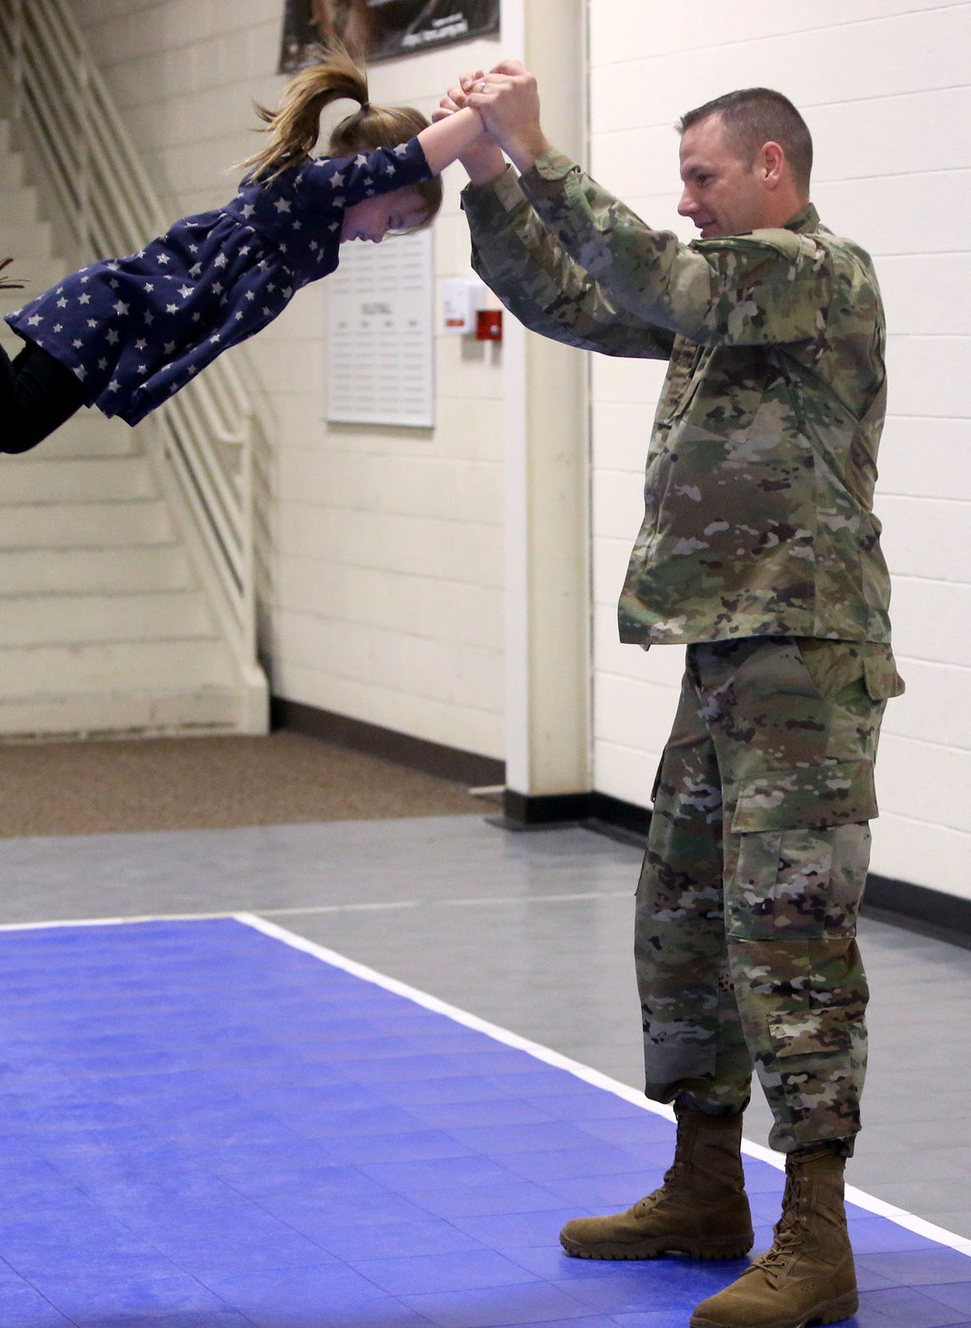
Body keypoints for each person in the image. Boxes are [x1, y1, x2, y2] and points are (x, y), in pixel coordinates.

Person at [441, 61, 903, 1328]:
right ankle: (706, 1187)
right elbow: (576, 299)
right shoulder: (723, 301)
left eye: (701, 177)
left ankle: (817, 1235)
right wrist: (487, 174)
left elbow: (660, 271)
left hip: (804, 661)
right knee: (684, 923)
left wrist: (541, 150)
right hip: (721, 655)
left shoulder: (815, 273)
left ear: (770, 170)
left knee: (789, 937)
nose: (686, 199)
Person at [0, 45, 485, 454]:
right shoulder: (309, 190)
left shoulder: (313, 233)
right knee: (10, 421)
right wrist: (482, 120)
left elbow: (398, 172)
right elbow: (406, 161)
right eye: (392, 219)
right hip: (119, 310)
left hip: (127, 322)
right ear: (369, 172)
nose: (379, 236)